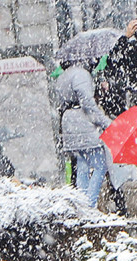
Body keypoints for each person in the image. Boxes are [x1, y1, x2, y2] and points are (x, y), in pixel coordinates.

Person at [54, 59, 112, 207]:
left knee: (83, 165)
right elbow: (87, 104)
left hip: (69, 122)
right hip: (82, 122)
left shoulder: (64, 75)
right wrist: (105, 122)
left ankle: (81, 203)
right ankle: (89, 204)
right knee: (100, 165)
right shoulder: (81, 75)